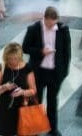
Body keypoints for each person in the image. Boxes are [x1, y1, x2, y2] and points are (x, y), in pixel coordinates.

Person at [22, 7, 71, 136]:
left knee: (52, 101)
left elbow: (67, 52)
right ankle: (34, 128)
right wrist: (40, 52)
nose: (51, 26)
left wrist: (64, 72)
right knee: (36, 100)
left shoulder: (63, 29)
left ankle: (52, 128)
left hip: (55, 73)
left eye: (53, 23)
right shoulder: (34, 29)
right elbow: (25, 48)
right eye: (49, 23)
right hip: (39, 72)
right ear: (45, 18)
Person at [0, 43, 37, 136]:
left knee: (25, 132)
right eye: (10, 59)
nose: (12, 61)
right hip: (6, 108)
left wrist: (22, 92)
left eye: (15, 58)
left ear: (20, 57)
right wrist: (4, 87)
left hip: (23, 106)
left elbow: (33, 90)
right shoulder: (2, 67)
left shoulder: (27, 68)